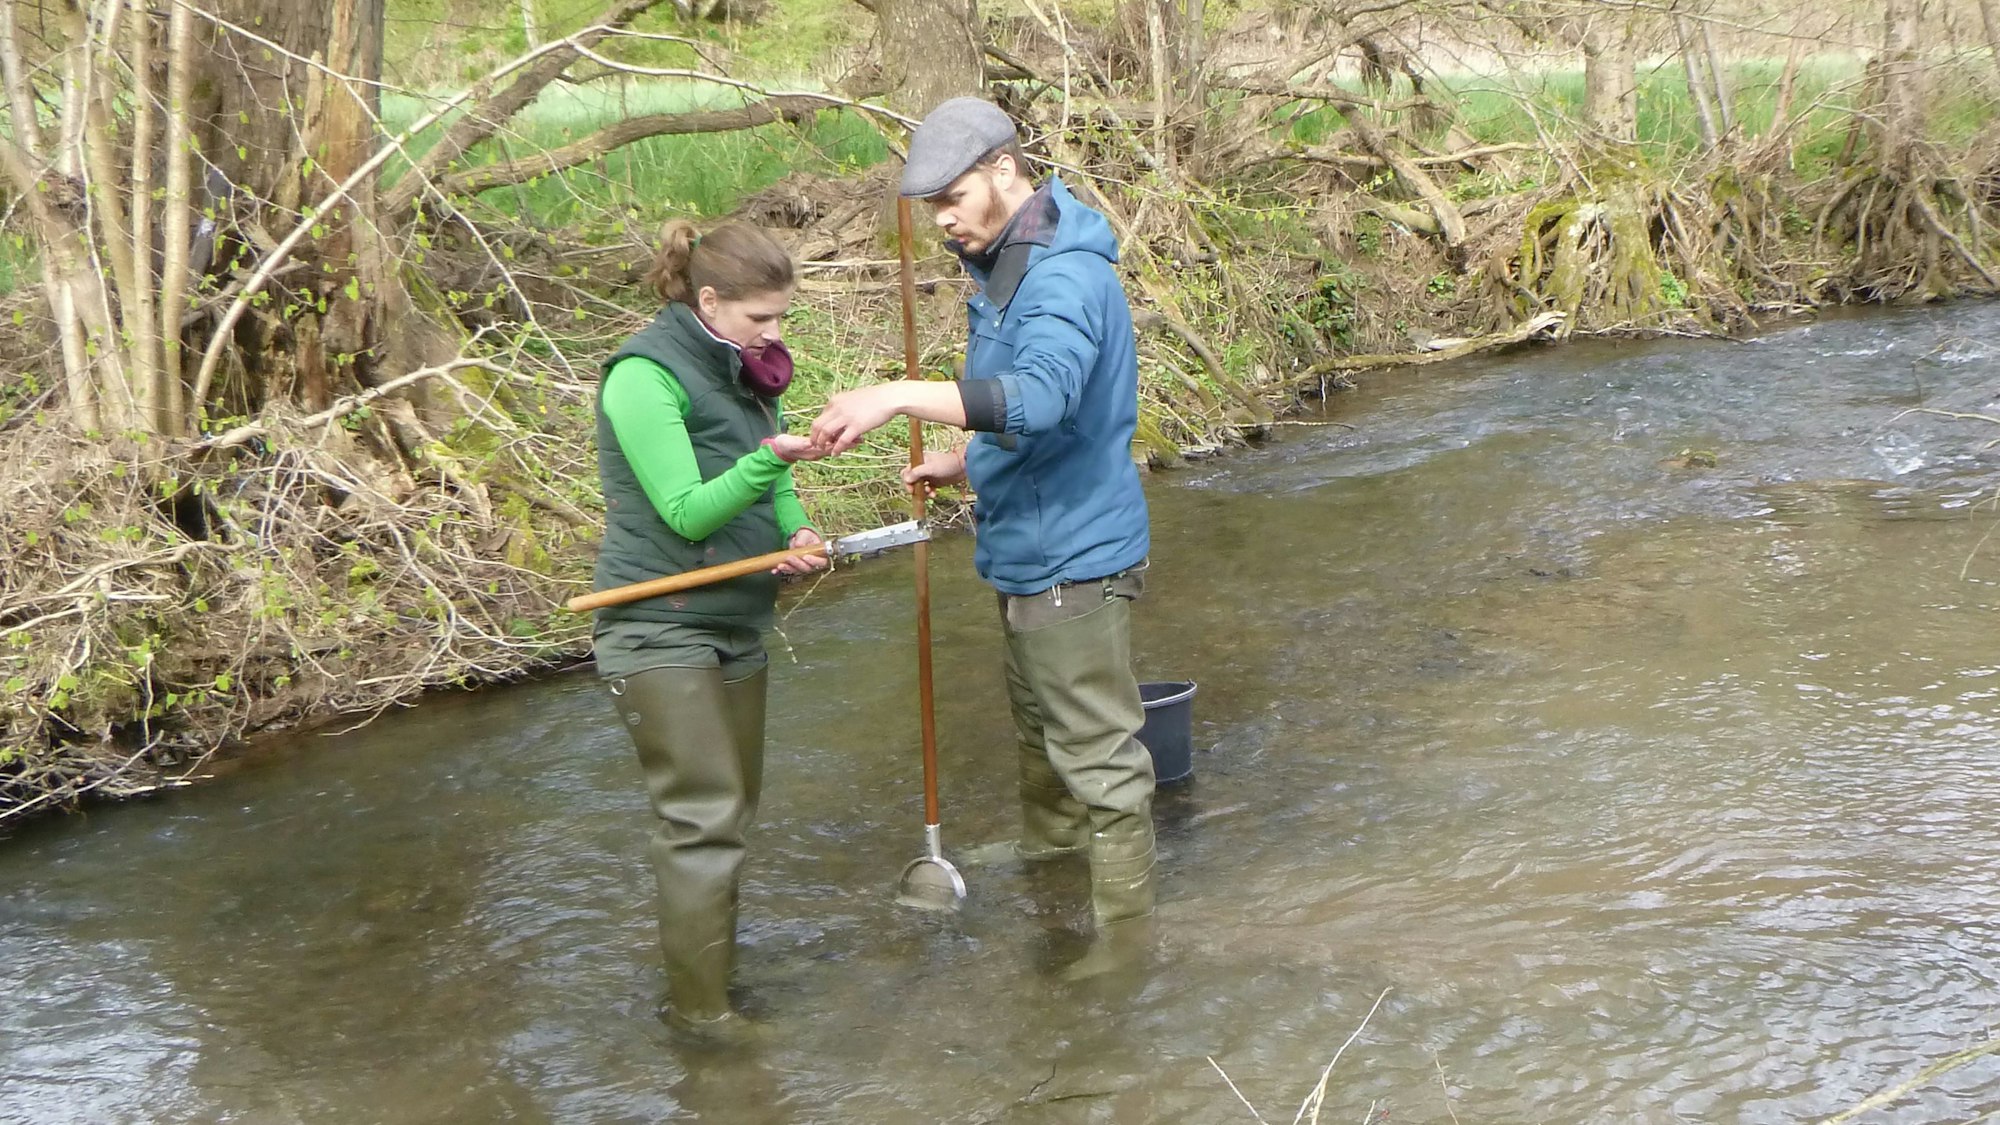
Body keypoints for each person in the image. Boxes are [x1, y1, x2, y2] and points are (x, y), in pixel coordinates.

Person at [810, 97, 1157, 968]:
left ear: (1006, 170)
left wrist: (893, 395)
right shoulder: (1002, 262)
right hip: (1026, 546)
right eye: (931, 205)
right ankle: (1050, 859)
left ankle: (1126, 949)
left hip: (1073, 558)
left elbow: (1042, 398)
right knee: (1041, 735)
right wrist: (967, 461)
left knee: (1104, 769)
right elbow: (1015, 404)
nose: (943, 219)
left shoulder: (1064, 275)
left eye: (954, 196)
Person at [590, 219, 828, 1034]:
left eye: (782, 318)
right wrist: (774, 461)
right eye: (762, 318)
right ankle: (702, 1018)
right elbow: (689, 513)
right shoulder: (641, 376)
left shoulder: (748, 367)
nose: (776, 334)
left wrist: (795, 533)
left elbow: (773, 484)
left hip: (735, 619)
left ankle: (715, 984)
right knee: (703, 820)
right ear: (711, 300)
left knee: (734, 813)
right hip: (656, 626)